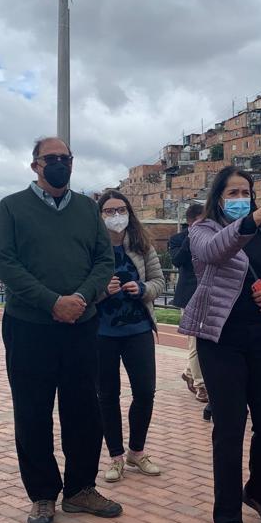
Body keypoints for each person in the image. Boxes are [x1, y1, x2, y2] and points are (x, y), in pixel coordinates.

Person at [0, 137, 121, 523]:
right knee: (32, 413)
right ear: (35, 165)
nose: (60, 164)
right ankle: (43, 495)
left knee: (84, 410)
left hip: (82, 326)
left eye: (66, 158)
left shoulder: (86, 208)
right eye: (52, 159)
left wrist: (81, 297)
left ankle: (81, 489)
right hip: (30, 327)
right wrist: (52, 302)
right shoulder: (12, 207)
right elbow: (7, 266)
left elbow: (104, 260)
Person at [177, 166, 261, 523]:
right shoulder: (203, 230)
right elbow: (215, 252)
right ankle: (227, 519)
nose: (241, 196)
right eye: (233, 192)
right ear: (219, 197)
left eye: (246, 190)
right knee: (229, 430)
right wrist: (252, 218)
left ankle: (258, 493)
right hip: (220, 340)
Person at [94, 190, 165, 483]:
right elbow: (80, 290)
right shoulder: (92, 249)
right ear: (99, 216)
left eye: (120, 210)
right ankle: (116, 456)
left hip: (138, 330)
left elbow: (158, 281)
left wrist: (143, 289)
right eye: (109, 211)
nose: (116, 216)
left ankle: (137, 451)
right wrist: (101, 292)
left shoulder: (141, 244)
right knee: (107, 395)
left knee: (145, 392)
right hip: (102, 334)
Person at [170, 204, 208, 403]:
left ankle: (189, 372)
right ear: (192, 221)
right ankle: (201, 384)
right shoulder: (178, 239)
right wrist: (191, 237)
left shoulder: (212, 237)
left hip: (209, 294)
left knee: (205, 340)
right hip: (189, 295)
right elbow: (177, 260)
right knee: (195, 341)